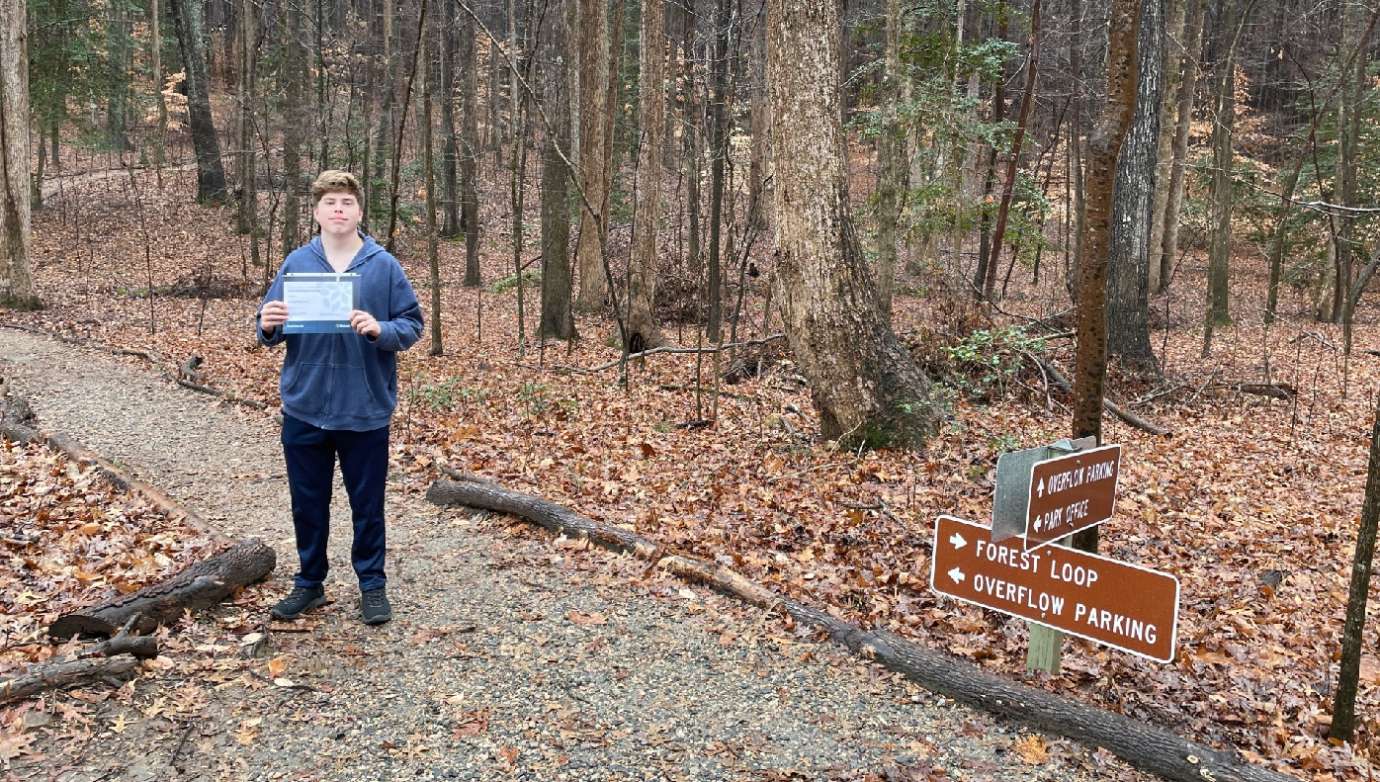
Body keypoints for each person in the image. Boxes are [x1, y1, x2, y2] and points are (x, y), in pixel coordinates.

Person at [255, 170, 424, 625]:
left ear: (359, 211)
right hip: (305, 407)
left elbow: (411, 325)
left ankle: (372, 584)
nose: (338, 210)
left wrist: (380, 329)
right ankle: (310, 583)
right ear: (316, 212)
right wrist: (268, 324)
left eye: (347, 202)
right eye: (330, 202)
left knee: (366, 505)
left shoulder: (383, 266)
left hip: (364, 409)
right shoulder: (297, 264)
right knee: (307, 503)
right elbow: (268, 327)